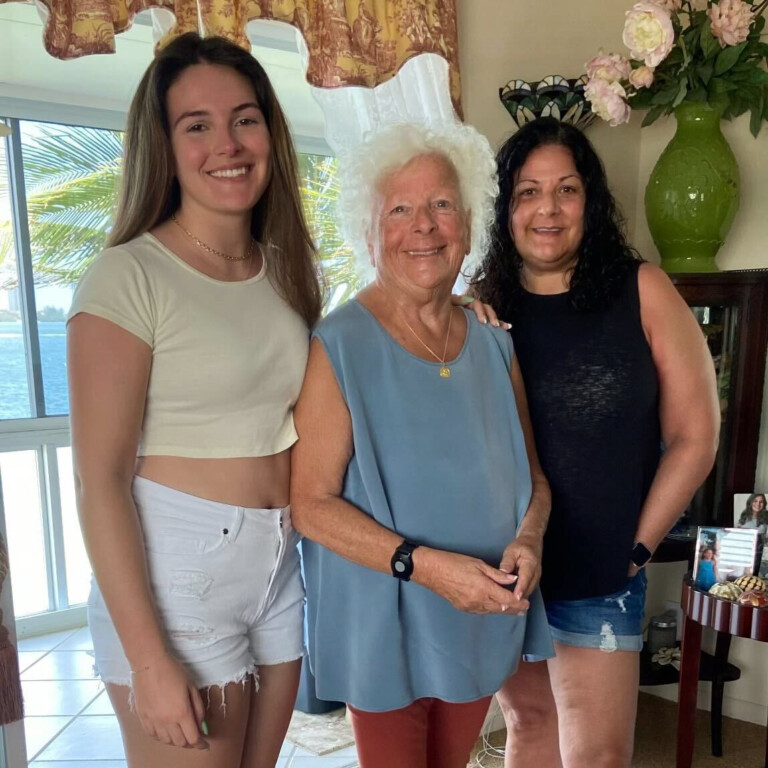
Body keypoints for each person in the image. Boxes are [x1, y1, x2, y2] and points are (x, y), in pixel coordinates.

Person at [67, 33, 321, 768]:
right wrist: (149, 661)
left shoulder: (286, 273)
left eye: (245, 118)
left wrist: (454, 311)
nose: (228, 144)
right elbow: (99, 482)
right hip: (176, 577)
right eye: (197, 125)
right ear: (164, 146)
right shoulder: (127, 276)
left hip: (277, 572)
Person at [290, 123, 554, 768]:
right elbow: (310, 505)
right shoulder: (338, 345)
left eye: (440, 205)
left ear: (467, 221)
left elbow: (534, 481)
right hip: (384, 618)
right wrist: (428, 568)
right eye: (400, 209)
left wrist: (529, 539)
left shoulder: (495, 341)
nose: (424, 226)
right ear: (370, 229)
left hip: (479, 611)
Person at [472, 117, 720, 768]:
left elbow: (696, 435)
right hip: (508, 568)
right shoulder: (481, 308)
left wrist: (637, 546)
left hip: (602, 568)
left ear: (591, 201)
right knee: (529, 725)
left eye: (566, 190)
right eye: (527, 191)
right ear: (505, 208)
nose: (547, 209)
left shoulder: (642, 291)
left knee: (599, 756)